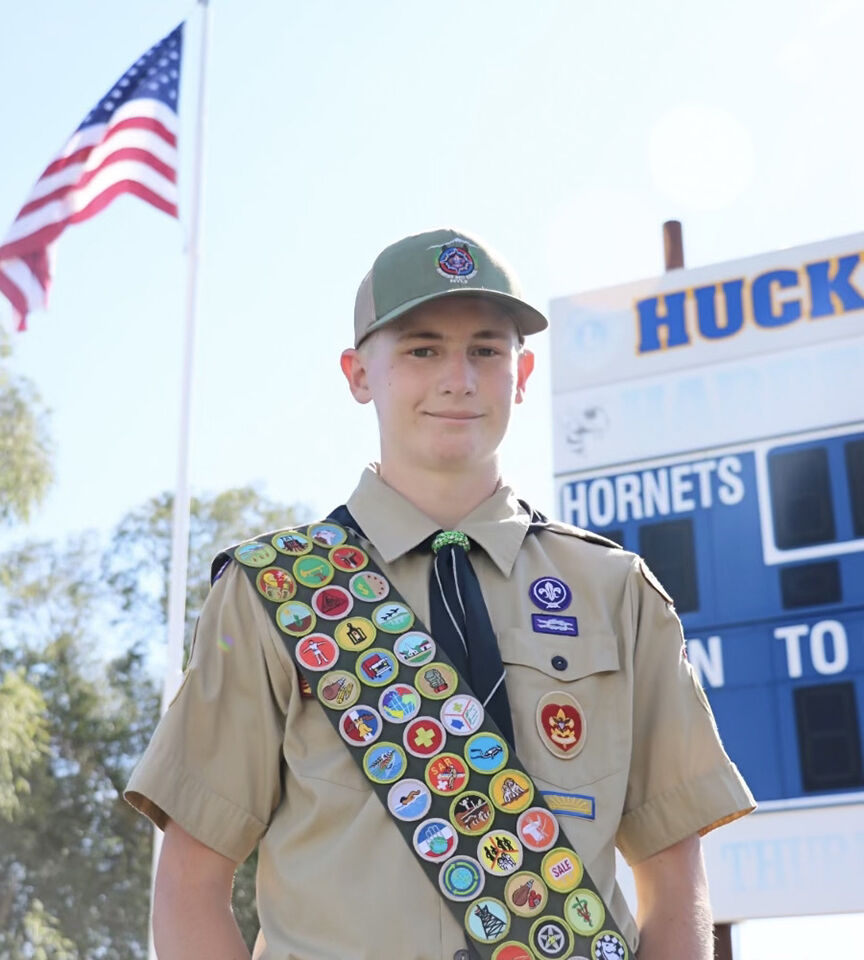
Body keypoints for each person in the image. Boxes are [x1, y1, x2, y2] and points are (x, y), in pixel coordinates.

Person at [125, 228, 755, 960]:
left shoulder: (616, 592)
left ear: (521, 375)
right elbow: (190, 883)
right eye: (423, 349)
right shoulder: (276, 592)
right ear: (359, 374)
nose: (459, 378)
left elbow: (673, 881)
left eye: (486, 350)